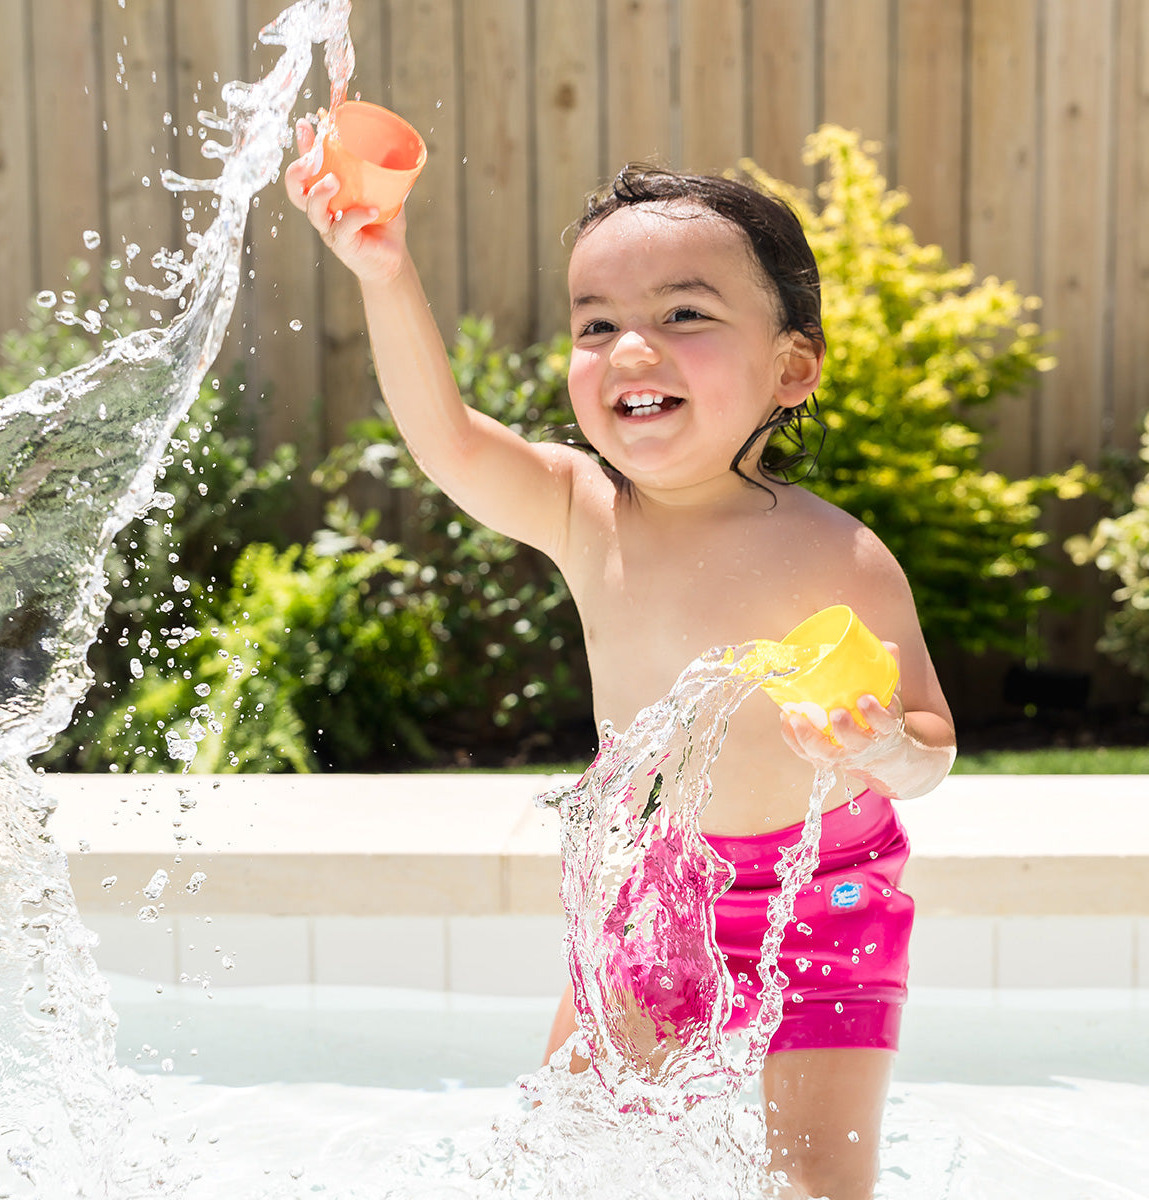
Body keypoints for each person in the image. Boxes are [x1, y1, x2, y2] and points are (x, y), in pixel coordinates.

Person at [286, 131, 956, 1200]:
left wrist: (882, 746)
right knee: (565, 1164)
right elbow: (447, 441)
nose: (633, 347)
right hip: (655, 898)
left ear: (791, 367)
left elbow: (932, 747)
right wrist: (385, 270)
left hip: (824, 903)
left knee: (819, 1187)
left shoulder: (839, 556)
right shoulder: (581, 509)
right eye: (598, 324)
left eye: (684, 313)